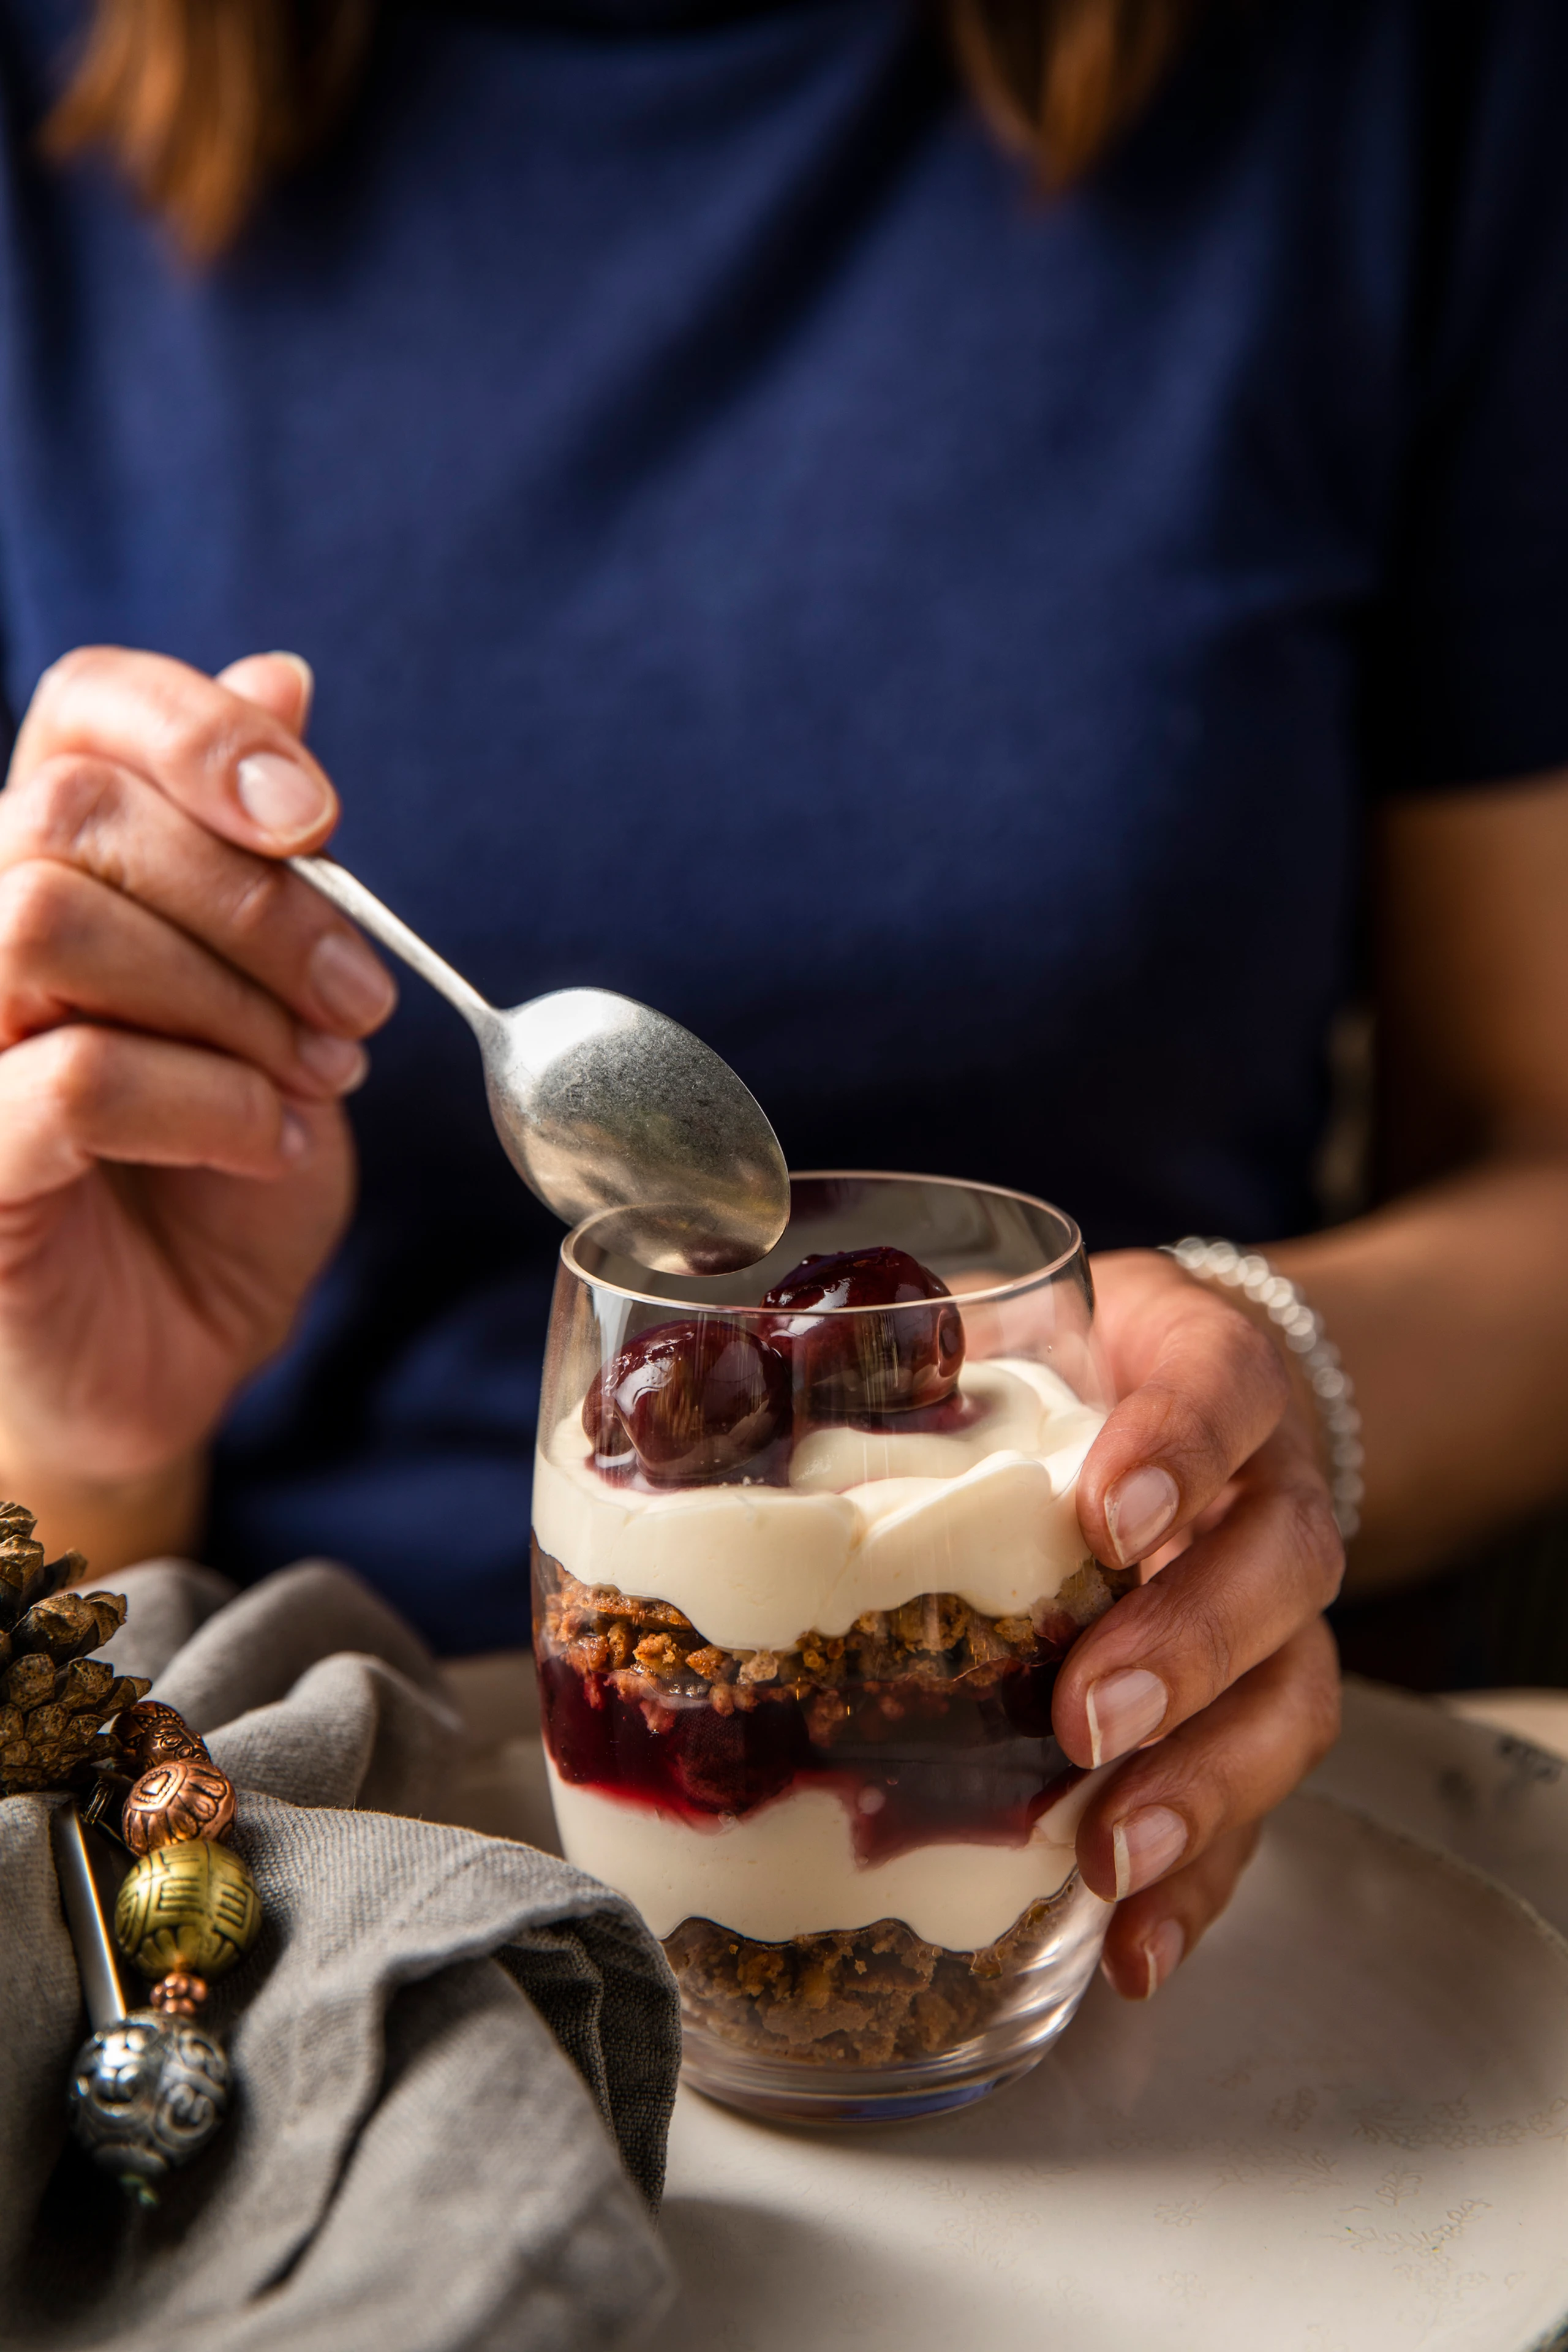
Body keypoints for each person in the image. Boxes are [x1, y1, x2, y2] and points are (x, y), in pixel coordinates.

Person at [0, 0, 1565, 2007]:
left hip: (1127, 1873)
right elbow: (67, 1544)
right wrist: (81, 1436)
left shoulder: (1397, 78)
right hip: (247, 1876)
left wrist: (1270, 1390)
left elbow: (1542, 1153)